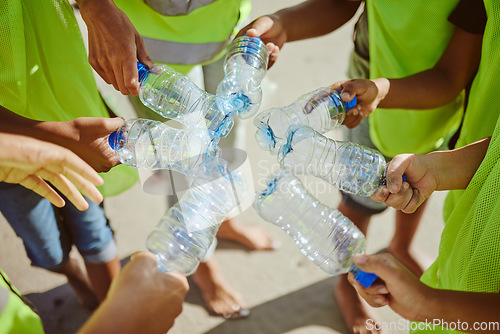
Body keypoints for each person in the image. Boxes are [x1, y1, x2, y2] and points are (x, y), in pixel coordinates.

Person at [236, 0, 480, 332]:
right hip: (368, 98)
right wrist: (286, 23)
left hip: (433, 107)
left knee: (422, 175)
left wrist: (383, 92)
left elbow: (450, 76)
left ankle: (401, 246)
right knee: (360, 196)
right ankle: (347, 281)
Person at [76, 0, 276, 318]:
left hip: (226, 27)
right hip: (155, 43)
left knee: (227, 144)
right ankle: (203, 262)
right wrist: (96, 8)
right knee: (184, 162)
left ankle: (222, 222)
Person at [0, 0, 140, 309]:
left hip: (67, 105)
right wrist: (63, 136)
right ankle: (73, 274)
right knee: (47, 249)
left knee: (93, 229)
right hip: (7, 157)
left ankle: (113, 310)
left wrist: (98, 8)